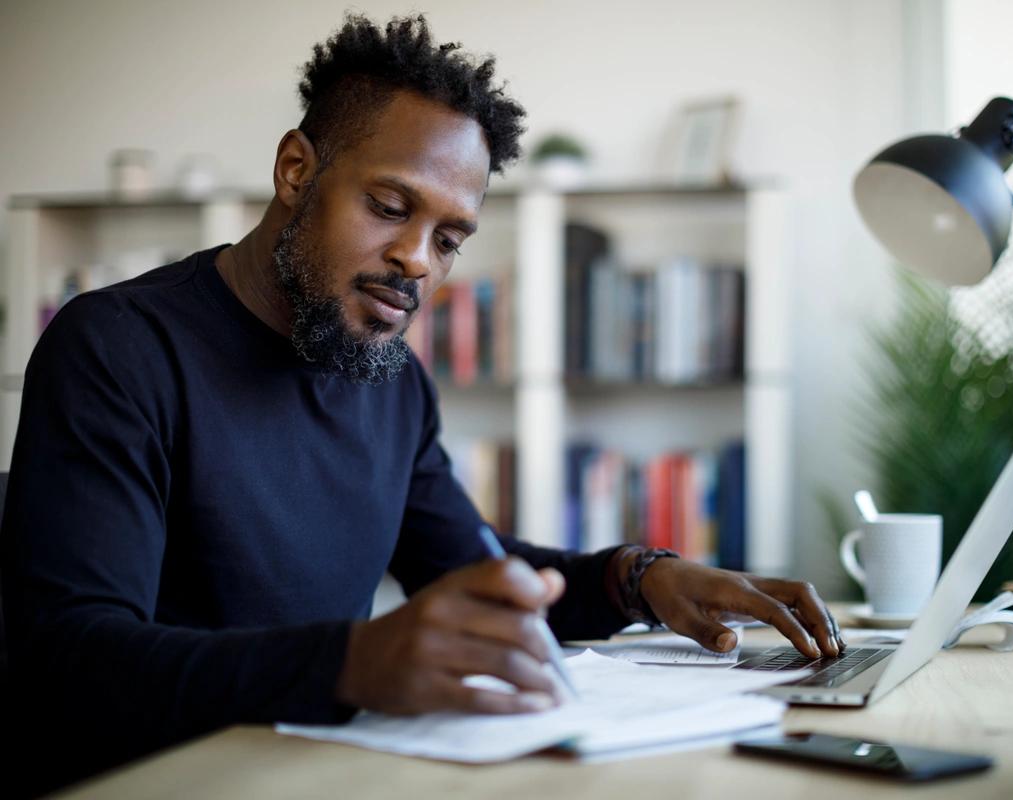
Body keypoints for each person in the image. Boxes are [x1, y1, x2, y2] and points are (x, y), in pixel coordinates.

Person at [0, 13, 843, 795]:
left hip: (314, 772)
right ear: (297, 170)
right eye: (390, 207)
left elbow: (478, 567)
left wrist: (639, 578)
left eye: (448, 239)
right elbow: (74, 658)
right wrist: (351, 664)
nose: (415, 260)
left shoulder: (393, 381)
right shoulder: (117, 348)